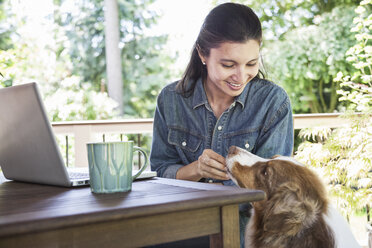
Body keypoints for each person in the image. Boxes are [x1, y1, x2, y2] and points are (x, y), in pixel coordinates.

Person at [150, 2, 294, 247]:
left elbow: (273, 187)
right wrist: (196, 169)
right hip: (179, 227)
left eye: (251, 64)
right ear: (202, 54)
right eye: (228, 65)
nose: (241, 77)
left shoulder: (273, 102)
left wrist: (215, 190)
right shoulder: (171, 99)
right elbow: (160, 171)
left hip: (243, 232)